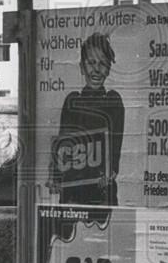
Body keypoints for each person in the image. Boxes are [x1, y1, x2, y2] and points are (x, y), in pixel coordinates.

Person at [49, 33, 125, 205]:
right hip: (72, 189)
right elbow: (63, 142)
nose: (96, 69)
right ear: (82, 67)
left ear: (109, 69)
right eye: (91, 63)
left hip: (101, 189)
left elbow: (115, 143)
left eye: (103, 63)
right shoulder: (72, 100)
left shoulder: (113, 101)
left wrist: (111, 171)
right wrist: (56, 175)